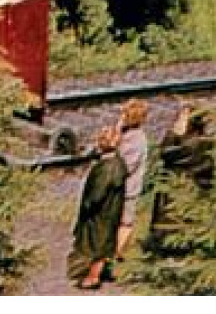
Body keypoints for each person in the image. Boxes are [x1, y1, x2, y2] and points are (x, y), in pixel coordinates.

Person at [149, 107, 215, 248]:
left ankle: (170, 245)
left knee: (172, 219)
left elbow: (165, 153)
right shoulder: (206, 140)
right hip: (195, 186)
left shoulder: (187, 145)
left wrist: (173, 133)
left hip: (179, 185)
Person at [71, 126, 127, 290]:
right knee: (103, 242)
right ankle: (97, 273)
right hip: (110, 211)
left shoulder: (106, 168)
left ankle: (93, 277)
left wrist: (88, 205)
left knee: (97, 244)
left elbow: (97, 194)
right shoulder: (117, 163)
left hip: (100, 213)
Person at [117, 99, 150, 258]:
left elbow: (127, 166)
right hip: (121, 186)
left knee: (126, 221)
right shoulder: (126, 134)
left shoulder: (137, 140)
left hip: (129, 187)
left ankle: (118, 252)